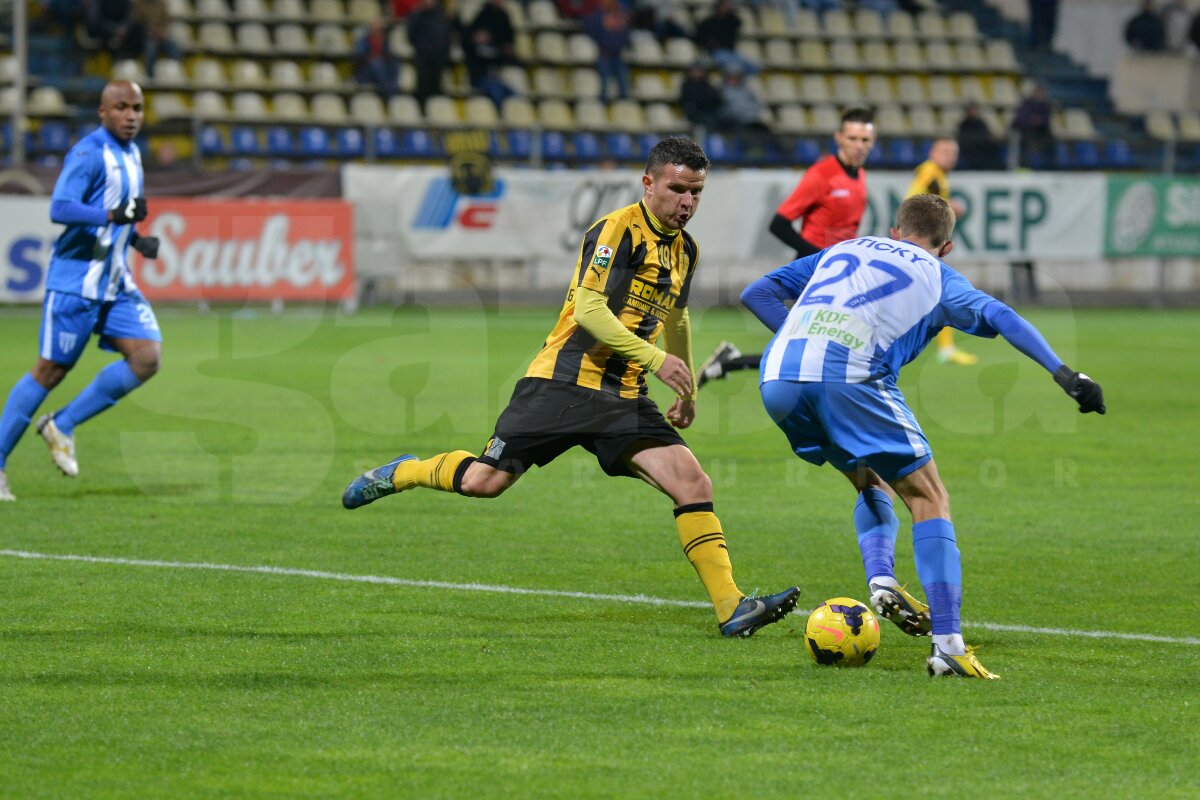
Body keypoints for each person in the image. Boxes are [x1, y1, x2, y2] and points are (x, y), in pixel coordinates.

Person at [341, 137, 800, 637]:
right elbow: (588, 309)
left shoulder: (685, 249)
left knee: (693, 484)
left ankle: (732, 608)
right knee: (484, 482)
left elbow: (677, 315)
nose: (687, 202)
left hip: (624, 395)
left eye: (696, 192)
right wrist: (655, 358)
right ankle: (406, 471)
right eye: (677, 189)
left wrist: (685, 387)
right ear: (649, 184)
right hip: (561, 384)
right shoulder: (615, 231)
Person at [741, 193, 1106, 678]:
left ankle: (882, 579)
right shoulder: (940, 276)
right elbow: (1003, 318)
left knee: (869, 477)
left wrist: (804, 336)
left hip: (778, 377)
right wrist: (1065, 374)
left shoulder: (848, 247)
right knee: (929, 497)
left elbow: (756, 292)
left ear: (895, 230)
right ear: (947, 246)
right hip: (849, 376)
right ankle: (950, 648)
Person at [0, 80, 162, 502]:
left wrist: (137, 238)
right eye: (122, 107)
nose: (131, 116)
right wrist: (112, 214)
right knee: (50, 371)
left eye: (138, 108)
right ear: (103, 112)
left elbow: (122, 211)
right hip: (77, 282)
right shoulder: (89, 153)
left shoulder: (131, 152)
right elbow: (61, 207)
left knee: (147, 357)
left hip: (115, 279)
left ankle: (63, 424)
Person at [698, 107, 876, 388]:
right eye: (853, 138)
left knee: (814, 351)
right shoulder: (822, 174)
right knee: (816, 352)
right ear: (838, 138)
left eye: (865, 140)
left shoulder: (860, 175)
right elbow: (778, 224)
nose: (859, 146)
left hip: (839, 276)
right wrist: (819, 257)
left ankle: (729, 362)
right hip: (815, 271)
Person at [907, 137, 976, 366]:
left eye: (953, 152)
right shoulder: (930, 172)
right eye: (945, 151)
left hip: (923, 245)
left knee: (934, 292)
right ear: (933, 152)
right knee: (939, 291)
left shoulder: (938, 175)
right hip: (920, 246)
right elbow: (913, 199)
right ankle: (945, 349)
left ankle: (946, 348)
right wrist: (948, 205)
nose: (950, 156)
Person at [408, 0, 453, 110]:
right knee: (423, 88)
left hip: (439, 59)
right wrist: (422, 48)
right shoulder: (417, 16)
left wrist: (443, 54)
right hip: (423, 58)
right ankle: (422, 112)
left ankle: (436, 114)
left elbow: (446, 37)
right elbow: (411, 36)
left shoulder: (441, 17)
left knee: (436, 89)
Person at [584, 0, 632, 101]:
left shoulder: (620, 16)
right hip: (604, 55)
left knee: (623, 83)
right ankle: (602, 104)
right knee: (604, 83)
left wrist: (620, 23)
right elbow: (589, 30)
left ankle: (624, 104)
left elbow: (626, 36)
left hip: (618, 55)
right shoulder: (597, 16)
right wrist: (603, 23)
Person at [353, 18, 400, 100]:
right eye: (376, 28)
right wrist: (372, 59)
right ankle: (387, 91)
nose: (378, 31)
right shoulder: (363, 41)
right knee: (377, 63)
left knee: (395, 63)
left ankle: (392, 86)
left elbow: (388, 56)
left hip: (381, 69)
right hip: (365, 72)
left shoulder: (384, 42)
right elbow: (359, 57)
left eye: (380, 29)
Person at [1011, 83, 1054, 169]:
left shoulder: (1045, 105)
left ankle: (1051, 165)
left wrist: (1039, 121)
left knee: (1051, 139)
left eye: (1041, 93)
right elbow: (1020, 120)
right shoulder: (1026, 104)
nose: (1039, 95)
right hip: (1026, 130)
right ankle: (1023, 165)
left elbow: (1047, 119)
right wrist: (1031, 121)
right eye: (1037, 92)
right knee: (1025, 140)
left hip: (1040, 131)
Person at [679, 61, 724, 132]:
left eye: (700, 70)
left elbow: (715, 99)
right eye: (695, 71)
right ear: (690, 72)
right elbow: (688, 101)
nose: (698, 73)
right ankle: (709, 140)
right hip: (695, 112)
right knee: (709, 120)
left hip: (708, 111)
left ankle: (718, 140)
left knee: (723, 116)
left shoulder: (706, 84)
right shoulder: (687, 85)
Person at [956, 102, 1002, 170]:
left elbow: (986, 134)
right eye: (971, 110)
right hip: (969, 148)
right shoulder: (964, 124)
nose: (973, 112)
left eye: (974, 110)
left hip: (982, 146)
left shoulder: (981, 123)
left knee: (994, 147)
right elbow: (964, 137)